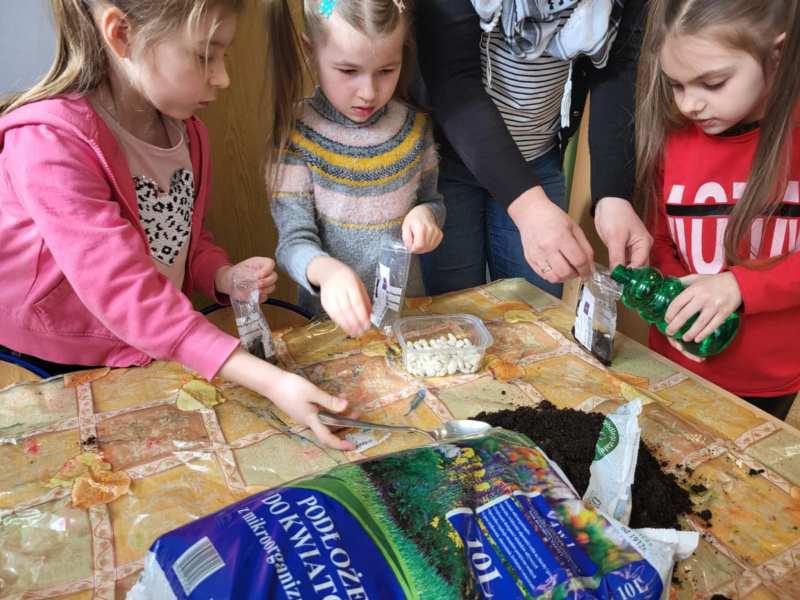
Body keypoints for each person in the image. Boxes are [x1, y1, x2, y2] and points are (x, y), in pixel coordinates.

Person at [0, 0, 354, 449]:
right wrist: (271, 382)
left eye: (223, 55)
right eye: (205, 56)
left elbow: (181, 236)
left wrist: (221, 275)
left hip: (142, 345)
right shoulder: (48, 144)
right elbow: (126, 292)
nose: (223, 77)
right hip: (48, 361)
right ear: (122, 35)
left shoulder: (187, 132)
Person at [416, 0, 654, 298]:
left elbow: (618, 63)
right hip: (448, 163)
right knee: (451, 308)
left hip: (539, 157)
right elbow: (453, 80)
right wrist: (530, 208)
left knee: (538, 305)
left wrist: (612, 195)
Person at [636, 0, 800, 419]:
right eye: (676, 85)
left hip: (768, 376)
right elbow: (658, 238)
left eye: (712, 83)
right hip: (674, 364)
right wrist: (672, 301)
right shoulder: (673, 139)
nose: (689, 104)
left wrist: (740, 286)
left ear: (778, 55)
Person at [264, 0, 445, 337]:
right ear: (310, 50)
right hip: (327, 329)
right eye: (348, 71)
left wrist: (427, 216)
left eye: (386, 70)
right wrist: (327, 272)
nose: (368, 92)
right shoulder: (296, 135)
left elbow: (432, 201)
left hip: (404, 318)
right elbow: (292, 243)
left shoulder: (415, 128)